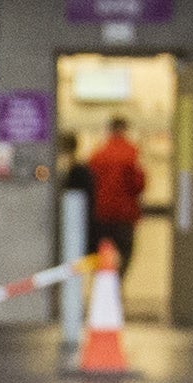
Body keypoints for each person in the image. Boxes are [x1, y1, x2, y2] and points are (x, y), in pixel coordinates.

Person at [81, 114, 148, 276]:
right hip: (124, 214)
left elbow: (89, 183)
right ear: (125, 130)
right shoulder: (131, 153)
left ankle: (103, 282)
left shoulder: (98, 154)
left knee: (100, 252)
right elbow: (138, 184)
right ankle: (117, 282)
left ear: (109, 130)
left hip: (101, 212)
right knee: (125, 251)